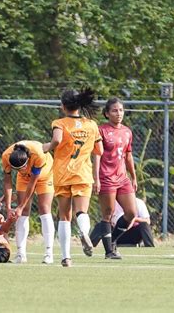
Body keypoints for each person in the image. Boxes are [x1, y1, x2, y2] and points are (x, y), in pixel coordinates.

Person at [43, 88, 103, 267]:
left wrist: (46, 147)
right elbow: (99, 150)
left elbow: (57, 141)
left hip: (62, 173)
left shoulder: (59, 123)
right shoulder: (91, 125)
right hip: (83, 173)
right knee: (81, 211)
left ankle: (66, 257)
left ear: (63, 106)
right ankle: (84, 231)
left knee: (64, 216)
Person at [92, 97, 138, 259]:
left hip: (122, 178)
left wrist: (134, 176)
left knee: (131, 212)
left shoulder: (127, 131)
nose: (119, 113)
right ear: (106, 113)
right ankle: (109, 251)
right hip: (106, 177)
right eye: (114, 110)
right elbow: (97, 155)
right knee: (108, 214)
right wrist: (96, 178)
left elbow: (128, 155)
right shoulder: (101, 130)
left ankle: (111, 240)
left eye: (121, 110)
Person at [2, 141, 55, 264]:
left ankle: (49, 253)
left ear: (28, 160)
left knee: (44, 208)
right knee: (23, 212)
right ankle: (21, 254)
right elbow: (7, 182)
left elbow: (33, 183)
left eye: (22, 168)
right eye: (16, 169)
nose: (19, 171)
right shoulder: (6, 156)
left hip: (45, 174)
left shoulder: (38, 155)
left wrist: (20, 206)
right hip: (25, 179)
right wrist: (9, 207)